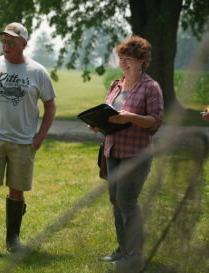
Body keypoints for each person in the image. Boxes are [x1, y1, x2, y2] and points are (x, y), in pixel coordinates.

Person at [0, 22, 56, 258]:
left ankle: (13, 240)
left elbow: (50, 105)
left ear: (23, 44)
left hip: (23, 142)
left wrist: (41, 136)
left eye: (12, 41)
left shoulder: (37, 72)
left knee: (17, 192)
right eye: (4, 40)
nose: (6, 45)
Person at [91, 36, 164, 269]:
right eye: (121, 58)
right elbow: (108, 114)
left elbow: (154, 121)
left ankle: (136, 254)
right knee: (115, 200)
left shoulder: (151, 87)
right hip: (112, 151)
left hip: (136, 153)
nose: (123, 63)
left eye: (129, 59)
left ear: (142, 61)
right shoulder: (116, 85)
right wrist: (97, 123)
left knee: (127, 200)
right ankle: (123, 249)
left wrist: (131, 117)